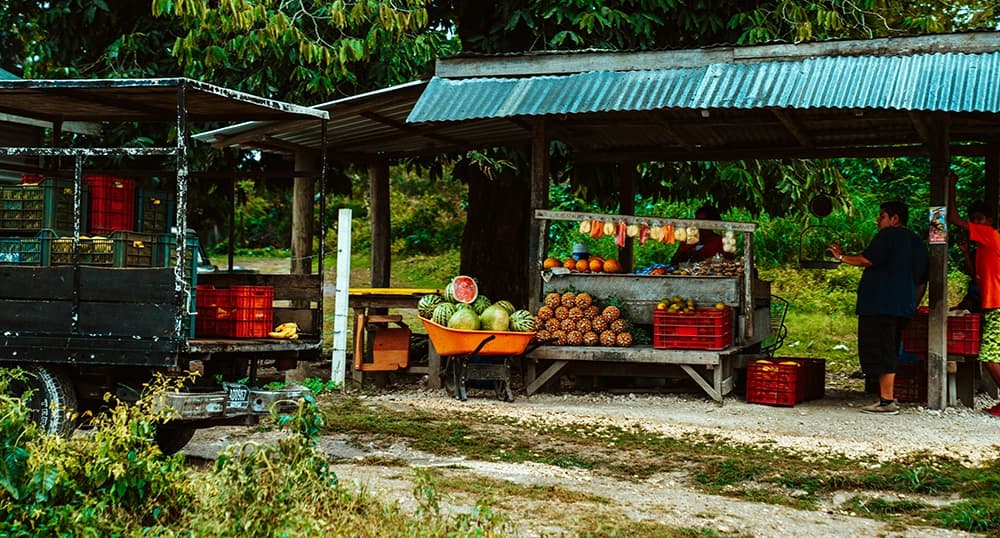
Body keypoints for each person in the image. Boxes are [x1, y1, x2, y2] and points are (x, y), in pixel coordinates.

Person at [828, 200, 928, 415]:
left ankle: (886, 400)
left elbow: (867, 260)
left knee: (882, 351)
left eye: (882, 216)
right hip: (901, 305)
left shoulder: (888, 236)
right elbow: (922, 280)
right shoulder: (917, 243)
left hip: (880, 304)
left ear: (895, 219)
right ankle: (886, 396)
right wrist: (911, 304)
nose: (877, 221)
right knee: (891, 348)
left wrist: (841, 257)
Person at [946, 174, 1000, 416]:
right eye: (973, 220)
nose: (975, 223)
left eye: (979, 219)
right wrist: (967, 253)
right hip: (991, 305)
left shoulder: (990, 235)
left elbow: (953, 218)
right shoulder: (983, 246)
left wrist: (950, 187)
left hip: (997, 305)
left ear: (989, 220)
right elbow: (974, 275)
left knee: (989, 356)